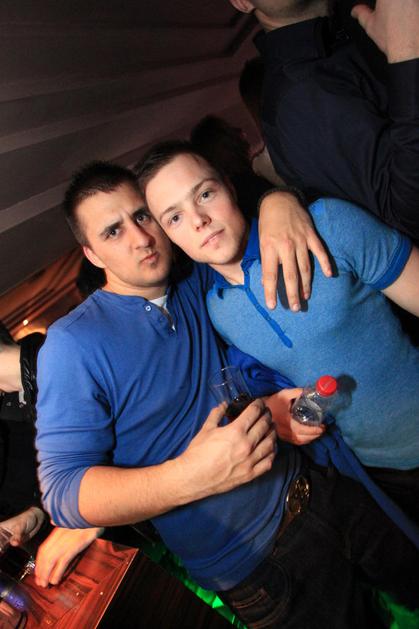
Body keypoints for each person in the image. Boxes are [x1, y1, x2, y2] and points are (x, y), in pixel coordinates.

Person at [36, 160, 419, 629]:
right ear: (92, 254)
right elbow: (63, 489)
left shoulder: (192, 283)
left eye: (143, 216)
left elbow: (231, 227)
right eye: (113, 232)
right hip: (260, 567)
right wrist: (189, 477)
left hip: (321, 488)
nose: (140, 238)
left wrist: (279, 200)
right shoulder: (73, 342)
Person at [138, 140, 419, 526]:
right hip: (378, 477)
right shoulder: (218, 312)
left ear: (229, 186)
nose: (198, 220)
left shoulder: (327, 226)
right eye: (174, 217)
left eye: (204, 194)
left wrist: (280, 197)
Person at [229, 0, 419, 242]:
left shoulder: (345, 28)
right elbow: (406, 218)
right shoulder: (297, 95)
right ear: (243, 2)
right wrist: (408, 54)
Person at [0, 322, 102, 588]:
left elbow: (126, 440)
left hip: (153, 523)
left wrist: (91, 511)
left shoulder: (62, 355)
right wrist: (36, 511)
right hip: (78, 553)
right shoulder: (10, 406)